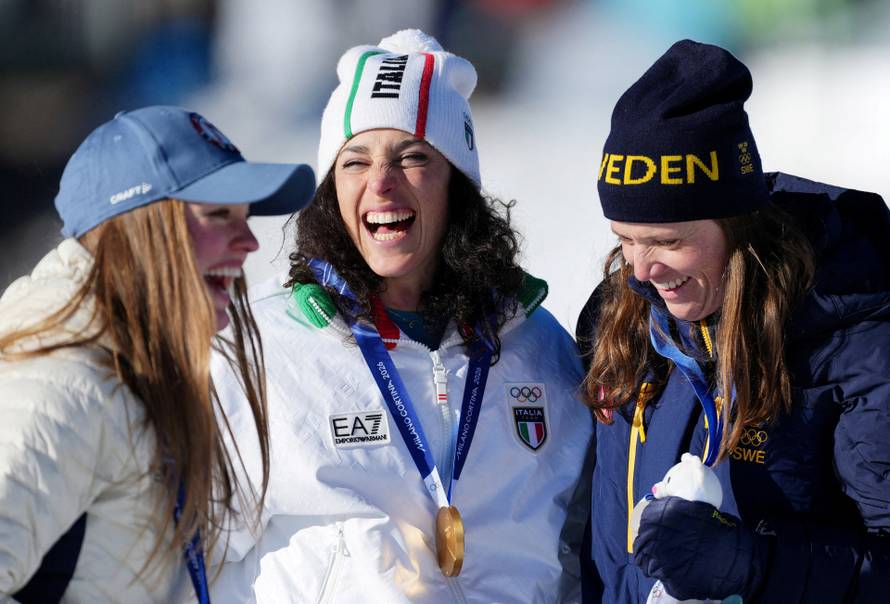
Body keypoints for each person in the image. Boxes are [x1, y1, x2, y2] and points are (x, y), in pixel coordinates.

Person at [209, 29, 593, 603]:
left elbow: (584, 550)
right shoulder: (257, 349)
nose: (380, 183)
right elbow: (181, 556)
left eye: (412, 158)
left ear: (457, 186)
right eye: (354, 162)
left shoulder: (538, 347)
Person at [577, 39, 890, 603]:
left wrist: (752, 565)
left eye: (668, 241)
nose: (641, 270)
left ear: (737, 226)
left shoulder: (855, 344)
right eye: (624, 239)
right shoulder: (621, 322)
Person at [0, 106, 315, 602]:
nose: (250, 241)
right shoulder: (62, 380)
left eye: (245, 217)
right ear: (139, 228)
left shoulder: (131, 371)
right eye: (219, 214)